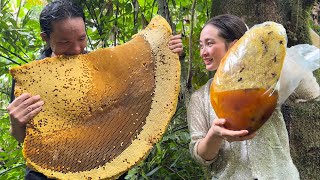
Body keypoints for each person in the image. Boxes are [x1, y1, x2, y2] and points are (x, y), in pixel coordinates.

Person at [6, 0, 183, 179]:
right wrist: (16, 123)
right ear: (45, 37)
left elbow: (135, 86)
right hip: (47, 174)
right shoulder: (30, 79)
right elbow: (25, 140)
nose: (76, 49)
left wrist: (165, 52)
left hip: (106, 168)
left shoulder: (101, 65)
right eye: (65, 42)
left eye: (82, 38)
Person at [187, 14, 319, 179]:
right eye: (201, 45)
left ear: (235, 45)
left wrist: (272, 54)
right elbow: (200, 155)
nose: (203, 52)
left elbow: (312, 95)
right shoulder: (200, 98)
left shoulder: (266, 82)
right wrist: (215, 134)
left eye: (209, 43)